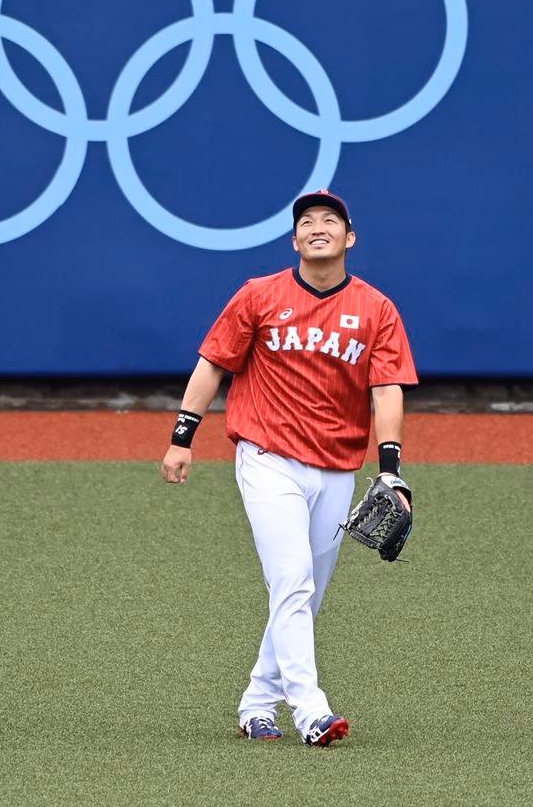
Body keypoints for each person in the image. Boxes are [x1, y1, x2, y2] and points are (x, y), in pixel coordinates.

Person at [160, 189, 416, 747]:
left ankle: (257, 704)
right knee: (293, 580)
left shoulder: (377, 309)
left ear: (350, 238)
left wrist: (390, 468)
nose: (317, 227)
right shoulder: (259, 294)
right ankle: (311, 712)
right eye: (307, 222)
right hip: (267, 459)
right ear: (295, 240)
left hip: (338, 468)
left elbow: (387, 388)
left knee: (305, 595)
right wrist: (183, 437)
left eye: (330, 220)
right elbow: (212, 365)